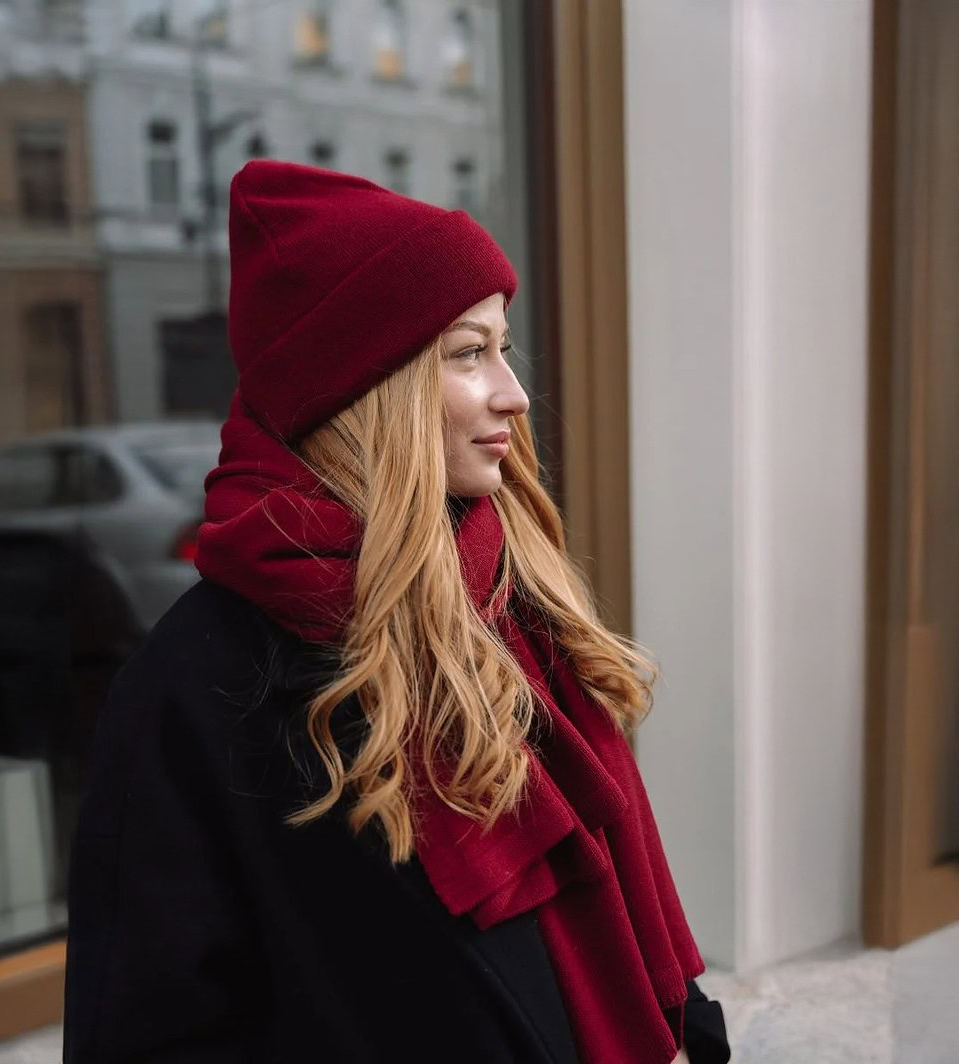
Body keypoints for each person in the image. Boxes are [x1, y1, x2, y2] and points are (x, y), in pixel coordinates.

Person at [62, 160, 730, 1064]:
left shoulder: (510, 593)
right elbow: (148, 1032)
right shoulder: (198, 683)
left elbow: (618, 886)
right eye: (467, 353)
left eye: (504, 345)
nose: (514, 391)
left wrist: (686, 1033)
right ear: (363, 385)